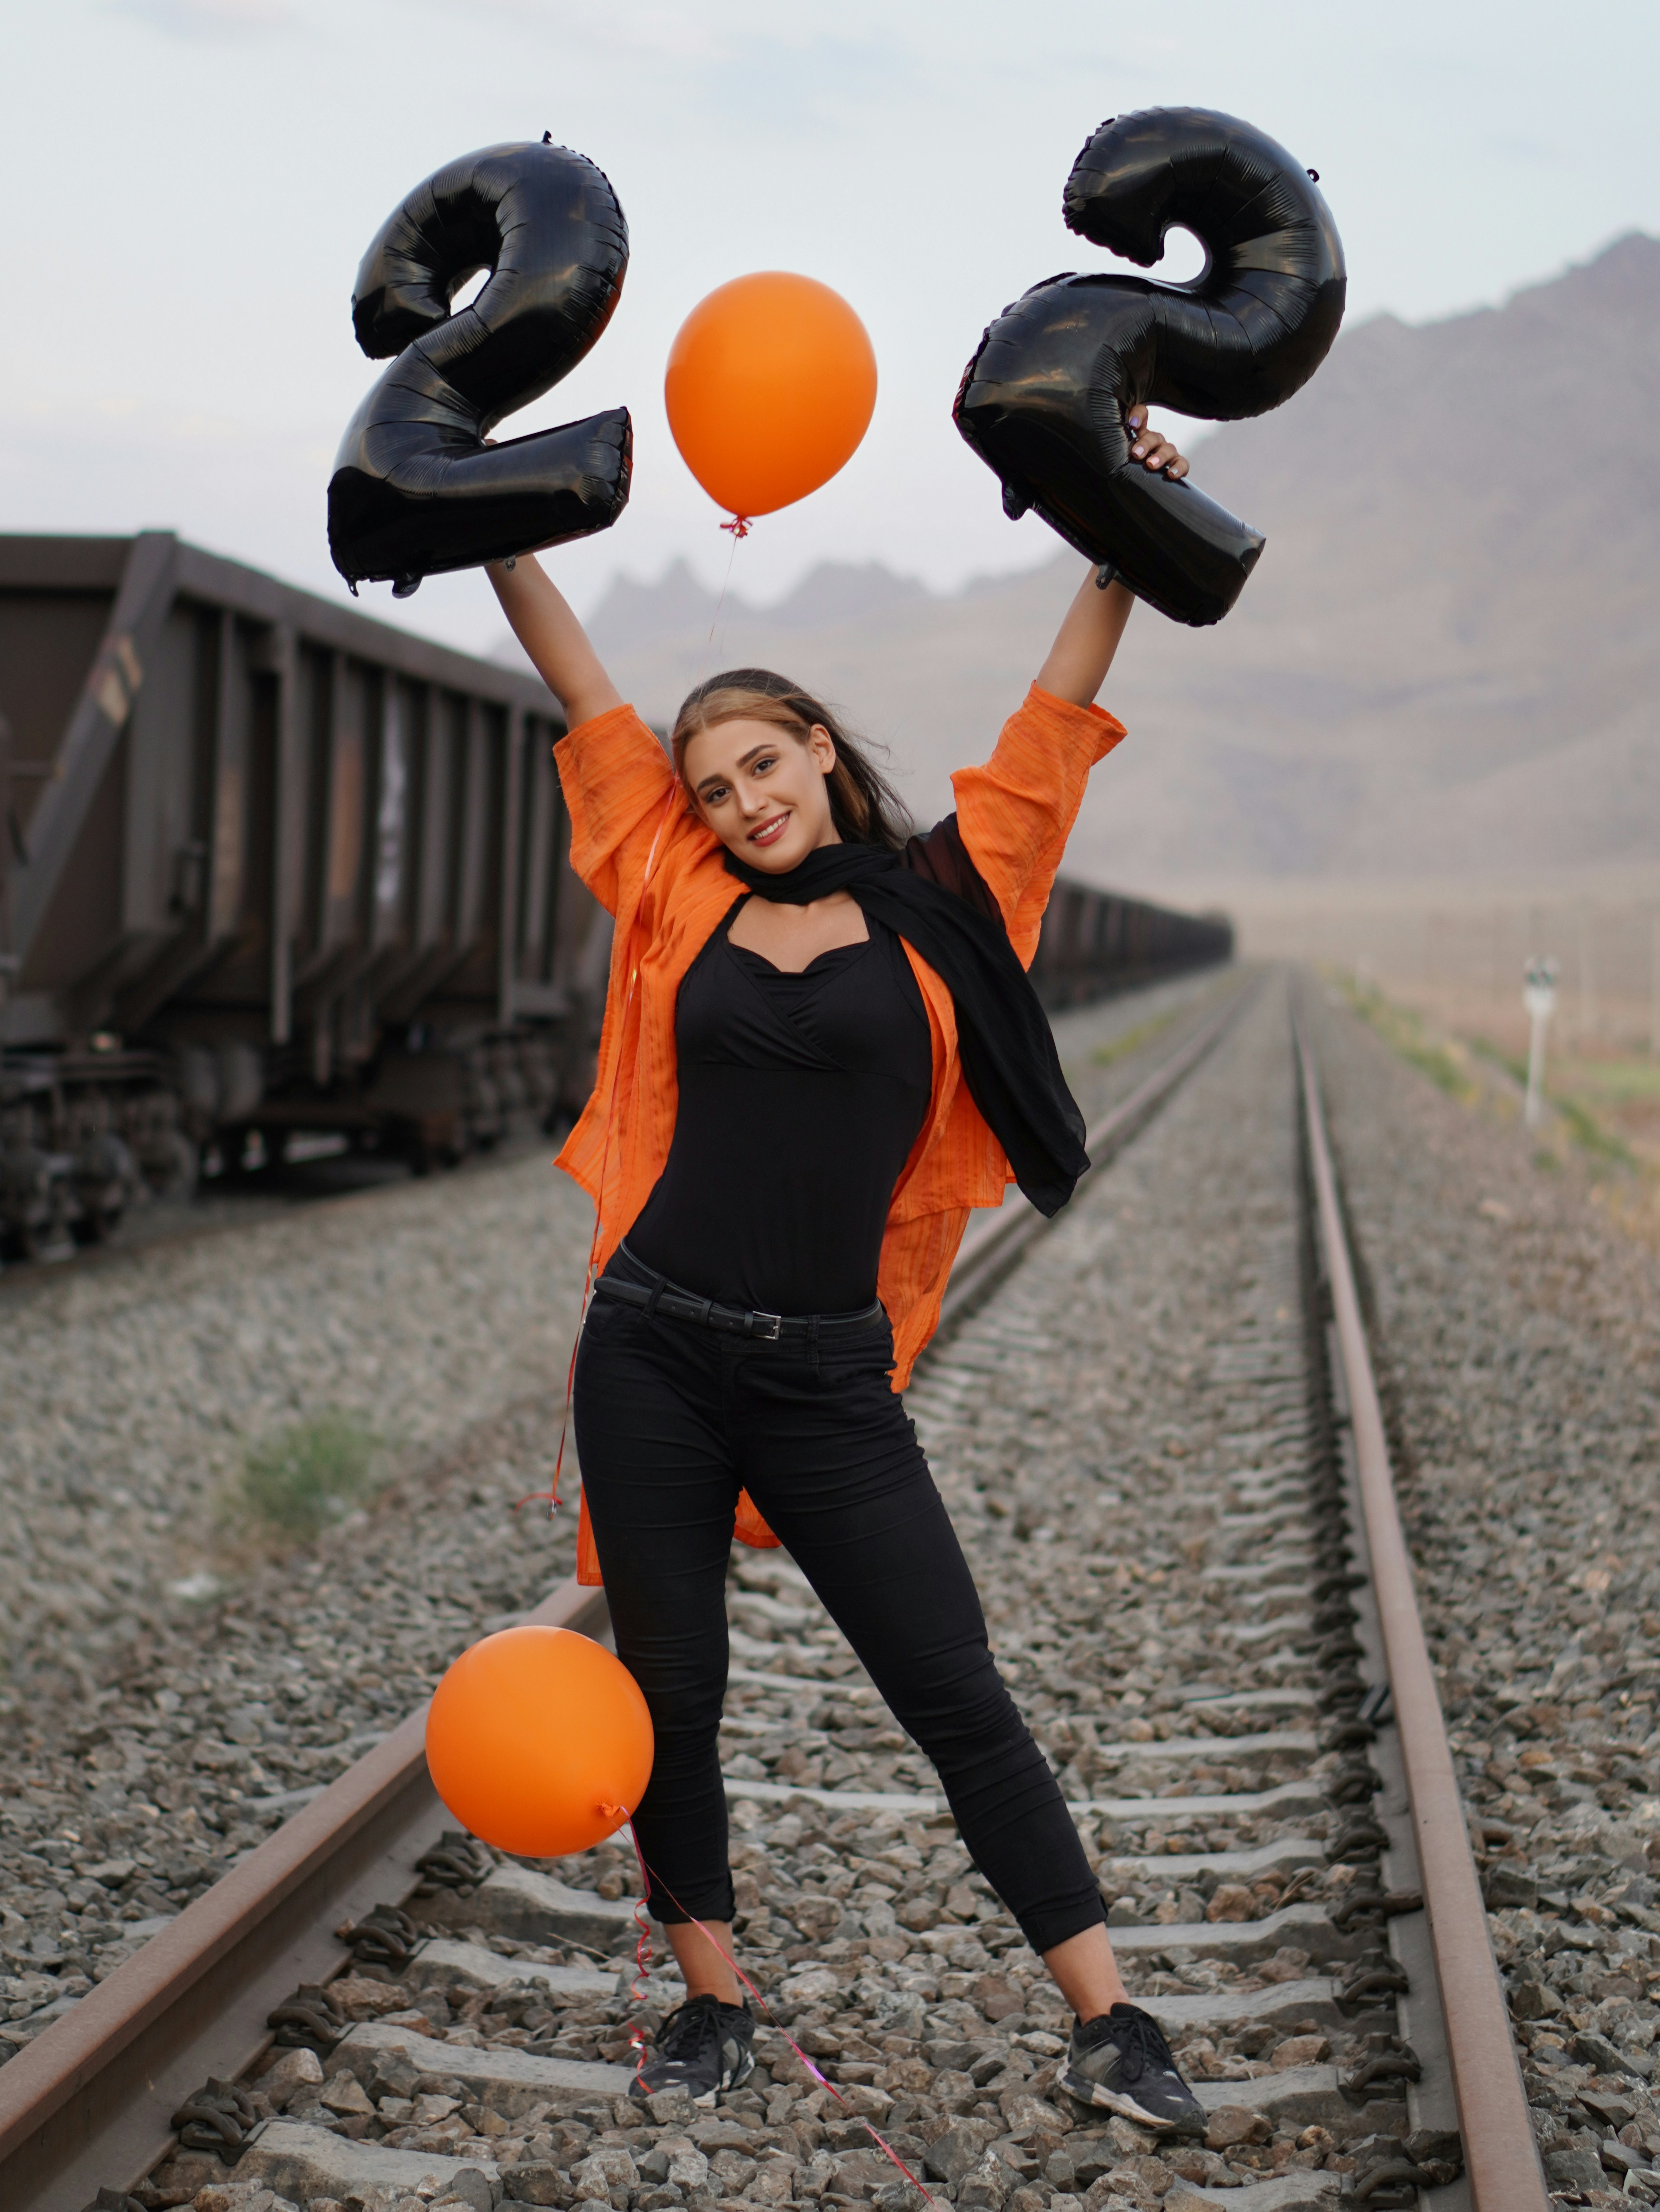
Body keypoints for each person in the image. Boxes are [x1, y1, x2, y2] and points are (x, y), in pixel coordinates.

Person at [489, 410, 1207, 2136]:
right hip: (649, 1350)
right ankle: (713, 2003)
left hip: (826, 1373)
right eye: (715, 783)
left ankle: (1110, 2020)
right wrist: (490, 524)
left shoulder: (950, 898)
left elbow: (1049, 736)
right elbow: (580, 695)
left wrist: (1120, 540)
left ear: (819, 747)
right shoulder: (667, 884)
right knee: (675, 1689)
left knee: (952, 1683)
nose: (740, 801)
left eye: (763, 764)